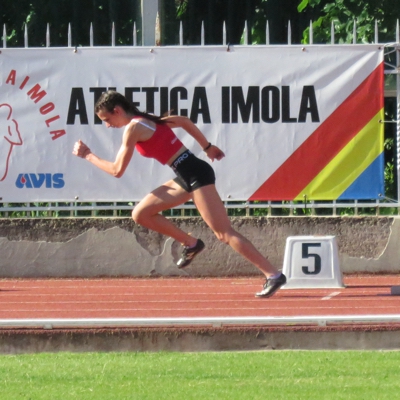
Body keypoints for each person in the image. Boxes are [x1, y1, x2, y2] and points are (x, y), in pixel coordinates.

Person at [72, 90, 286, 297]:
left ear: (117, 110)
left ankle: (273, 275)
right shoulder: (146, 119)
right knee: (141, 214)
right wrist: (207, 147)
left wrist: (88, 155)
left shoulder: (134, 127)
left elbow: (117, 170)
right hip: (185, 174)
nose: (108, 125)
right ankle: (191, 243)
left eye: (107, 119)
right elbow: (183, 121)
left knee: (224, 233)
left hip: (195, 175)